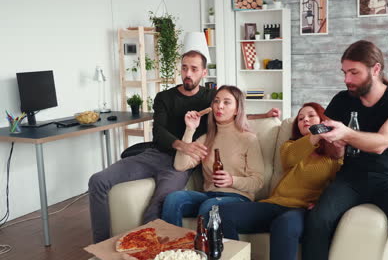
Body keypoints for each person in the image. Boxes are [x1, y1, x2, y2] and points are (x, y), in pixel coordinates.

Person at [88, 50, 280, 243]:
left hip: (215, 185)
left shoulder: (215, 102)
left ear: (204, 73)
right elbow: (160, 132)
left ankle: (153, 249)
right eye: (184, 68)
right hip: (160, 154)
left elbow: (233, 112)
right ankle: (103, 247)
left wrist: (264, 115)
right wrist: (186, 139)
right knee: (99, 181)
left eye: (194, 69)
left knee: (165, 203)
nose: (188, 73)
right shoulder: (170, 102)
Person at [302, 40, 388, 259]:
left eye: (354, 72)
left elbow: (381, 143)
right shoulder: (342, 100)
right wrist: (331, 142)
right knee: (317, 222)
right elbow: (332, 149)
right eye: (344, 72)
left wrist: (345, 133)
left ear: (376, 69)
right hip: (351, 178)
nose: (347, 79)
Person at [218, 102, 343, 260]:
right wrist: (315, 136)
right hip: (275, 204)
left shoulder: (334, 155)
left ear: (323, 120)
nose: (305, 120)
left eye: (311, 116)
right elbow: (291, 157)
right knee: (221, 214)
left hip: (302, 210)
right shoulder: (289, 146)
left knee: (284, 224)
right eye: (301, 118)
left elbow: (340, 186)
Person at [161, 85, 264, 226]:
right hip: (209, 195)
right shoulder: (206, 139)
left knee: (210, 207)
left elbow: (258, 182)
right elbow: (180, 165)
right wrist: (190, 130)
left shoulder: (249, 139)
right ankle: (174, 246)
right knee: (173, 198)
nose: (219, 106)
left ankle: (203, 248)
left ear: (237, 110)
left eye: (226, 102)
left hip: (238, 198)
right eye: (216, 101)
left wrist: (232, 180)